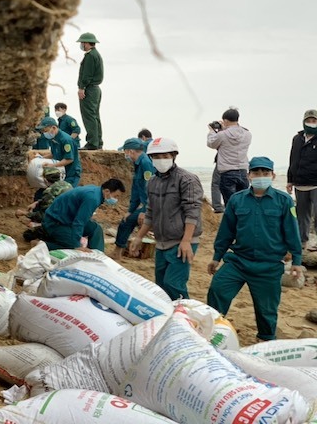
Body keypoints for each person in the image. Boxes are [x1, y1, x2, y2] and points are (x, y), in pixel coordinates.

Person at [207, 156, 303, 341]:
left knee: (267, 310)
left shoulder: (284, 201)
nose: (261, 176)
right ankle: (213, 331)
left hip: (269, 266)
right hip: (238, 262)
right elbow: (226, 231)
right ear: (248, 175)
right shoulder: (236, 200)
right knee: (217, 290)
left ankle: (266, 339)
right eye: (256, 173)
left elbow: (292, 232)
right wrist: (216, 256)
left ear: (273, 175)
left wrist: (297, 261)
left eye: (265, 173)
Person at [129, 137, 203, 300]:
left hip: (181, 241)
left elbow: (193, 211)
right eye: (156, 157)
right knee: (161, 286)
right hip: (162, 242)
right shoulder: (153, 182)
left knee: (174, 284)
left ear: (174, 155)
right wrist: (139, 237)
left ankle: (184, 317)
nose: (160, 160)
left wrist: (186, 241)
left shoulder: (187, 179)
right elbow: (150, 212)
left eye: (165, 156)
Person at [41, 178, 125, 251]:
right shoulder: (93, 198)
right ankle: (44, 246)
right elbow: (79, 222)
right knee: (73, 246)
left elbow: (82, 218)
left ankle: (97, 255)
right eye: (116, 196)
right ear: (107, 191)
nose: (116, 199)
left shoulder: (96, 191)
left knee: (95, 229)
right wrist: (76, 245)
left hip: (68, 219)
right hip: (55, 223)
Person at [112, 137, 156, 261]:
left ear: (131, 151)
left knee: (131, 222)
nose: (125, 155)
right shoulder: (137, 164)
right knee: (126, 220)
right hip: (145, 204)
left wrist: (144, 211)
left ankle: (121, 252)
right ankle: (118, 253)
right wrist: (130, 210)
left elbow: (150, 190)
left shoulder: (146, 163)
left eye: (125, 151)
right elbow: (136, 190)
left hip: (153, 205)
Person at [206, 108, 252, 204]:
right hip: (243, 171)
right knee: (242, 202)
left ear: (225, 120)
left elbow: (211, 143)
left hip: (227, 171)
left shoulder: (222, 135)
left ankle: (224, 212)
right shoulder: (247, 134)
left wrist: (212, 131)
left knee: (231, 204)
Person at [287, 109, 317, 250]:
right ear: (304, 121)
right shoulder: (297, 138)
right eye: (308, 120)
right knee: (302, 216)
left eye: (314, 120)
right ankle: (302, 242)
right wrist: (290, 180)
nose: (311, 123)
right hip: (300, 184)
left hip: (315, 184)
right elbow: (293, 159)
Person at [30, 116, 81, 187]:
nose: (44, 134)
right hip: (62, 171)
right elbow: (53, 154)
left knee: (65, 193)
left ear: (53, 128)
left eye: (45, 131)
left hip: (71, 173)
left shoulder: (65, 140)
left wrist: (52, 166)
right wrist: (41, 158)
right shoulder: (53, 138)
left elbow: (69, 159)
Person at [76, 32, 104, 150]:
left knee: (89, 116)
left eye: (82, 42)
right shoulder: (96, 54)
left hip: (89, 89)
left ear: (87, 43)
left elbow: (86, 75)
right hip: (95, 89)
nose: (81, 45)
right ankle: (98, 142)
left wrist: (82, 88)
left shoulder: (90, 56)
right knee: (95, 116)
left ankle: (92, 143)